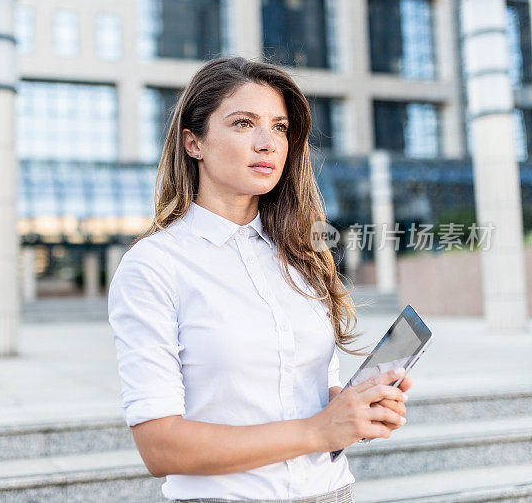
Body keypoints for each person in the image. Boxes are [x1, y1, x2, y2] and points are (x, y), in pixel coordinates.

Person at [107, 57, 413, 503]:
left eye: (281, 127)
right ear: (194, 143)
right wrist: (316, 430)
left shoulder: (303, 256)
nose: (268, 143)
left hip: (331, 492)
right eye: (244, 124)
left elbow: (311, 402)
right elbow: (159, 446)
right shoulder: (154, 265)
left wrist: (354, 412)